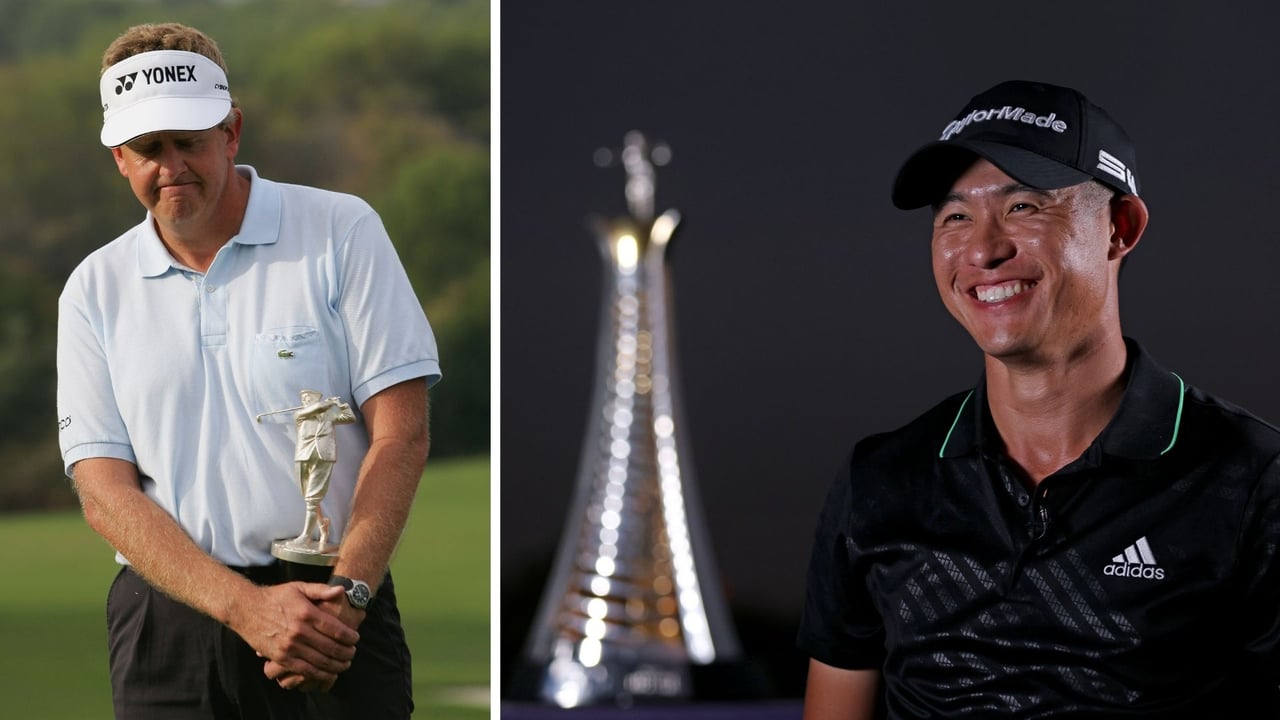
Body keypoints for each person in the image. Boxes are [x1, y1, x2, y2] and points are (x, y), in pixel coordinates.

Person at [798, 80, 1280, 718]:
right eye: (955, 217)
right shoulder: (880, 482)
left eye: (1024, 206)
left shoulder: (1250, 480)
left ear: (1119, 228)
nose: (983, 249)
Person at [56, 22, 440, 719]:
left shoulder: (341, 230)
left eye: (189, 141)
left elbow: (401, 433)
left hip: (335, 606)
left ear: (231, 132)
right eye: (148, 148)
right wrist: (246, 610)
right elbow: (104, 490)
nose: (171, 165)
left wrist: (349, 596)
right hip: (166, 623)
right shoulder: (93, 288)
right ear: (119, 158)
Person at [288, 390, 356, 551]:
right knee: (306, 495)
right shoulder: (300, 414)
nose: (304, 401)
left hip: (324, 455)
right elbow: (316, 408)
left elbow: (349, 417)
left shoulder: (329, 415)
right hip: (303, 455)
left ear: (315, 398)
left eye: (307, 398)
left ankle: (305, 536)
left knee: (312, 498)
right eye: (303, 398)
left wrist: (339, 405)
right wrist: (328, 403)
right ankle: (322, 526)